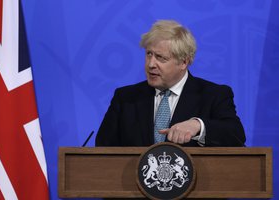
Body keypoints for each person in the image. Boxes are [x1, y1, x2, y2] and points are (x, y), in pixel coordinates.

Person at [95, 20, 245, 147]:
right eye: (149, 54)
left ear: (183, 62)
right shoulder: (125, 98)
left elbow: (236, 135)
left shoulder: (213, 95)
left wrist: (198, 126)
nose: (151, 64)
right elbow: (103, 149)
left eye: (161, 57)